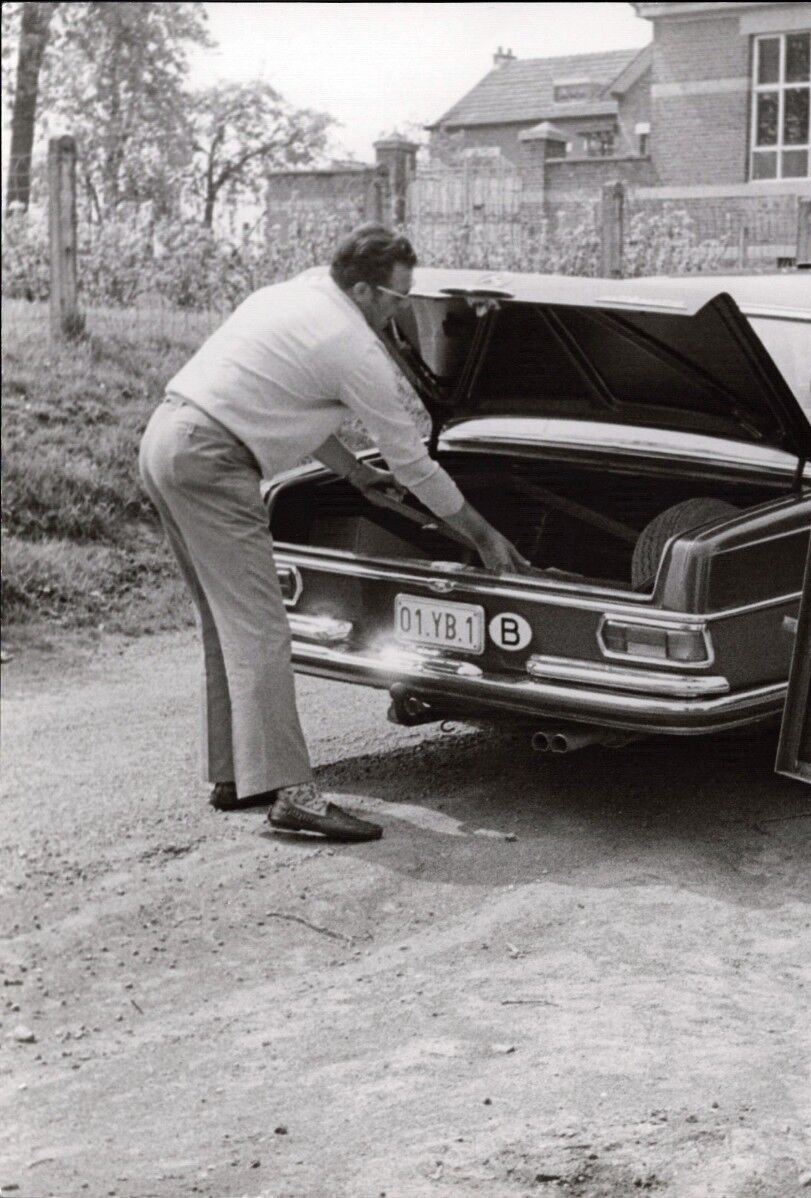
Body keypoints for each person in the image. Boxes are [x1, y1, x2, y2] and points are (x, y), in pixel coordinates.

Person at [138, 224, 530, 842]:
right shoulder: (352, 345)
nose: (404, 308)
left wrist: (350, 472)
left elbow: (284, 395)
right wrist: (481, 535)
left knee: (225, 623)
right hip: (215, 461)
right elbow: (412, 464)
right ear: (366, 290)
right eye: (399, 297)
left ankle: (237, 775)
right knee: (263, 628)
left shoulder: (296, 294)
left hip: (169, 439)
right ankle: (293, 795)